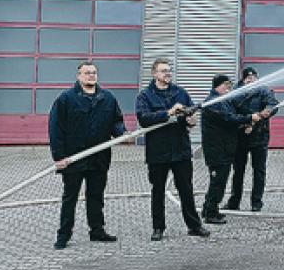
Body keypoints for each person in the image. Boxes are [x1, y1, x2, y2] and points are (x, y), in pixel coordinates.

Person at [48, 60, 126, 250]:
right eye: (87, 73)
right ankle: (64, 234)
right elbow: (55, 129)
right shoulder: (66, 99)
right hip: (73, 157)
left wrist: (121, 132)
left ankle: (97, 230)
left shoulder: (107, 98)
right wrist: (58, 156)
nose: (91, 75)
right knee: (70, 197)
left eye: (94, 72)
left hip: (99, 157)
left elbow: (116, 121)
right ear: (79, 76)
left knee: (96, 195)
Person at [136, 58, 210, 241]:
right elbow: (144, 119)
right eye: (163, 71)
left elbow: (189, 116)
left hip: (180, 149)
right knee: (158, 191)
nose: (167, 73)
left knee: (186, 189)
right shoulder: (145, 96)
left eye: (169, 70)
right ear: (154, 74)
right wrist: (168, 112)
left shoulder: (180, 93)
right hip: (158, 151)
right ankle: (158, 227)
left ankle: (194, 225)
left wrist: (191, 121)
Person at [200, 74, 262, 224]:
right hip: (217, 150)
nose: (229, 88)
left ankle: (208, 208)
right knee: (218, 182)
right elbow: (228, 118)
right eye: (226, 85)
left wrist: (245, 123)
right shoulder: (213, 103)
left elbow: (233, 118)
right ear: (218, 86)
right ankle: (210, 214)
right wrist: (249, 118)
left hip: (225, 149)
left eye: (229, 85)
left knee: (219, 181)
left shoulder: (224, 100)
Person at [225, 67, 278, 212]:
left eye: (253, 78)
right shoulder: (235, 92)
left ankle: (256, 202)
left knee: (259, 170)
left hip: (260, 136)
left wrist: (267, 111)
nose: (251, 80)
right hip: (240, 137)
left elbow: (273, 104)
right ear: (243, 80)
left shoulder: (264, 90)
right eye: (248, 78)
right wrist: (245, 123)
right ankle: (234, 202)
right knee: (238, 171)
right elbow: (230, 113)